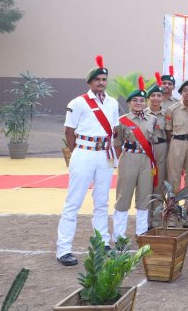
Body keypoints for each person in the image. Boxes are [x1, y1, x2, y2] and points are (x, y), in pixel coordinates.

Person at [56, 56, 119, 266]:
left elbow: (115, 130)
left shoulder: (112, 103)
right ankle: (63, 249)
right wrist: (77, 153)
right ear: (90, 82)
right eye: (97, 79)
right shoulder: (78, 102)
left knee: (102, 202)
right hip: (84, 151)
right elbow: (69, 131)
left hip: (104, 154)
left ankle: (102, 242)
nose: (101, 82)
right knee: (73, 202)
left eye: (104, 79)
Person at [112, 78, 157, 242]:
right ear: (129, 102)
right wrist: (123, 161)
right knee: (124, 196)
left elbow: (153, 141)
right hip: (128, 158)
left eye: (141, 100)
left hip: (146, 160)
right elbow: (116, 144)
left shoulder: (152, 119)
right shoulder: (122, 120)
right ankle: (119, 235)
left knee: (145, 196)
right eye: (135, 100)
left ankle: (141, 232)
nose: (138, 103)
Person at [165, 75, 188, 215]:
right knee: (173, 179)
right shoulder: (172, 109)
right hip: (176, 143)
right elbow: (168, 130)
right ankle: (172, 212)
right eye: (185, 90)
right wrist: (174, 143)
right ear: (180, 93)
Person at [145, 72, 169, 228]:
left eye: (158, 95)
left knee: (159, 184)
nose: (155, 98)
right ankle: (144, 221)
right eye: (152, 95)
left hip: (161, 148)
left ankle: (157, 220)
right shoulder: (142, 114)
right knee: (145, 184)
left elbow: (170, 133)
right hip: (146, 151)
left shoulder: (167, 114)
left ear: (162, 97)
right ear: (149, 98)